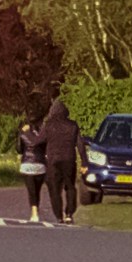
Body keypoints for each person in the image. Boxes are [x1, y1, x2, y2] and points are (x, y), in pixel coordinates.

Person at [40, 96, 82, 225]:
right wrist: (85, 161)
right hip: (69, 159)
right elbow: (80, 144)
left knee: (55, 189)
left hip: (53, 160)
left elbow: (40, 141)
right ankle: (69, 213)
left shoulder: (48, 125)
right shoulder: (72, 125)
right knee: (70, 187)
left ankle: (58, 216)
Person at [16, 115, 49, 221]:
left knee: (31, 190)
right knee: (37, 190)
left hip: (27, 164)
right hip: (40, 164)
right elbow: (46, 148)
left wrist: (21, 133)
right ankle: (36, 210)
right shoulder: (43, 133)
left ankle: (34, 213)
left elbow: (19, 149)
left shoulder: (23, 133)